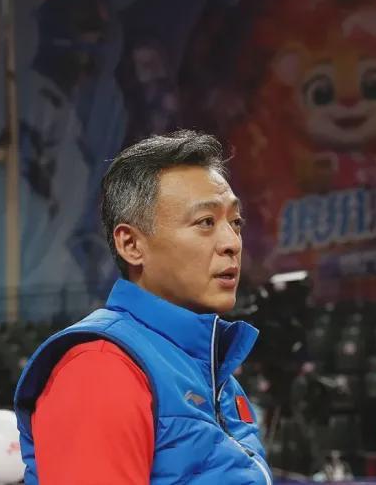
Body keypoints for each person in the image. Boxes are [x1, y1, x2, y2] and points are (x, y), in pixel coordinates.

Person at [14, 130, 272, 484]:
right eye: (205, 222)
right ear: (132, 245)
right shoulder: (100, 366)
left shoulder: (213, 374)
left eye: (235, 222)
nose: (232, 242)